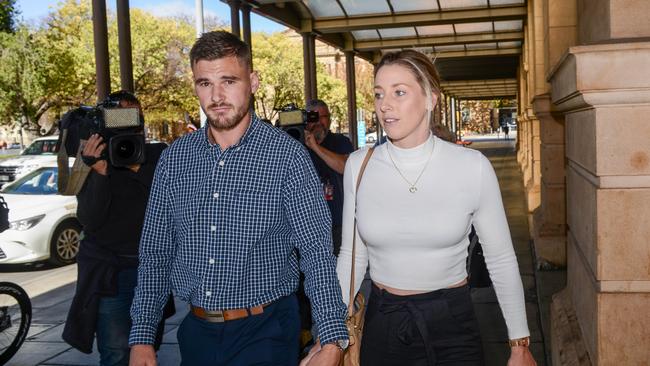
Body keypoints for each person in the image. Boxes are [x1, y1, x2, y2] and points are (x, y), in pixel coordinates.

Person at [128, 31, 348, 366]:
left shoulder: (287, 157)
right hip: (196, 333)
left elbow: (316, 250)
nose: (216, 96)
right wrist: (142, 336)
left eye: (228, 81)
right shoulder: (175, 159)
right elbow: (156, 251)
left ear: (253, 81)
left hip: (267, 332)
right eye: (205, 83)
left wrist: (332, 338)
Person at [333, 50, 536, 365]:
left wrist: (519, 344)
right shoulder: (360, 166)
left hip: (452, 323)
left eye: (399, 92)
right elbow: (352, 256)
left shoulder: (472, 166)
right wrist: (331, 330)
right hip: (383, 322)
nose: (384, 104)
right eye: (378, 94)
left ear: (431, 98)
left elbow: (501, 259)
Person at [62, 90, 173, 366]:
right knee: (116, 352)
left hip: (150, 270)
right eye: (119, 118)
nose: (128, 124)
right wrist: (99, 172)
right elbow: (90, 220)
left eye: (133, 117)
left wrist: (136, 164)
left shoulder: (157, 155)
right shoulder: (96, 159)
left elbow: (173, 202)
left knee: (148, 349)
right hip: (111, 273)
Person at [304, 99, 354, 257]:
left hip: (336, 224)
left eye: (323, 117)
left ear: (330, 119)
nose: (318, 122)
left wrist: (315, 147)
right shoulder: (296, 144)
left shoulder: (340, 141)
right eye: (313, 117)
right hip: (307, 225)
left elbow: (345, 167)